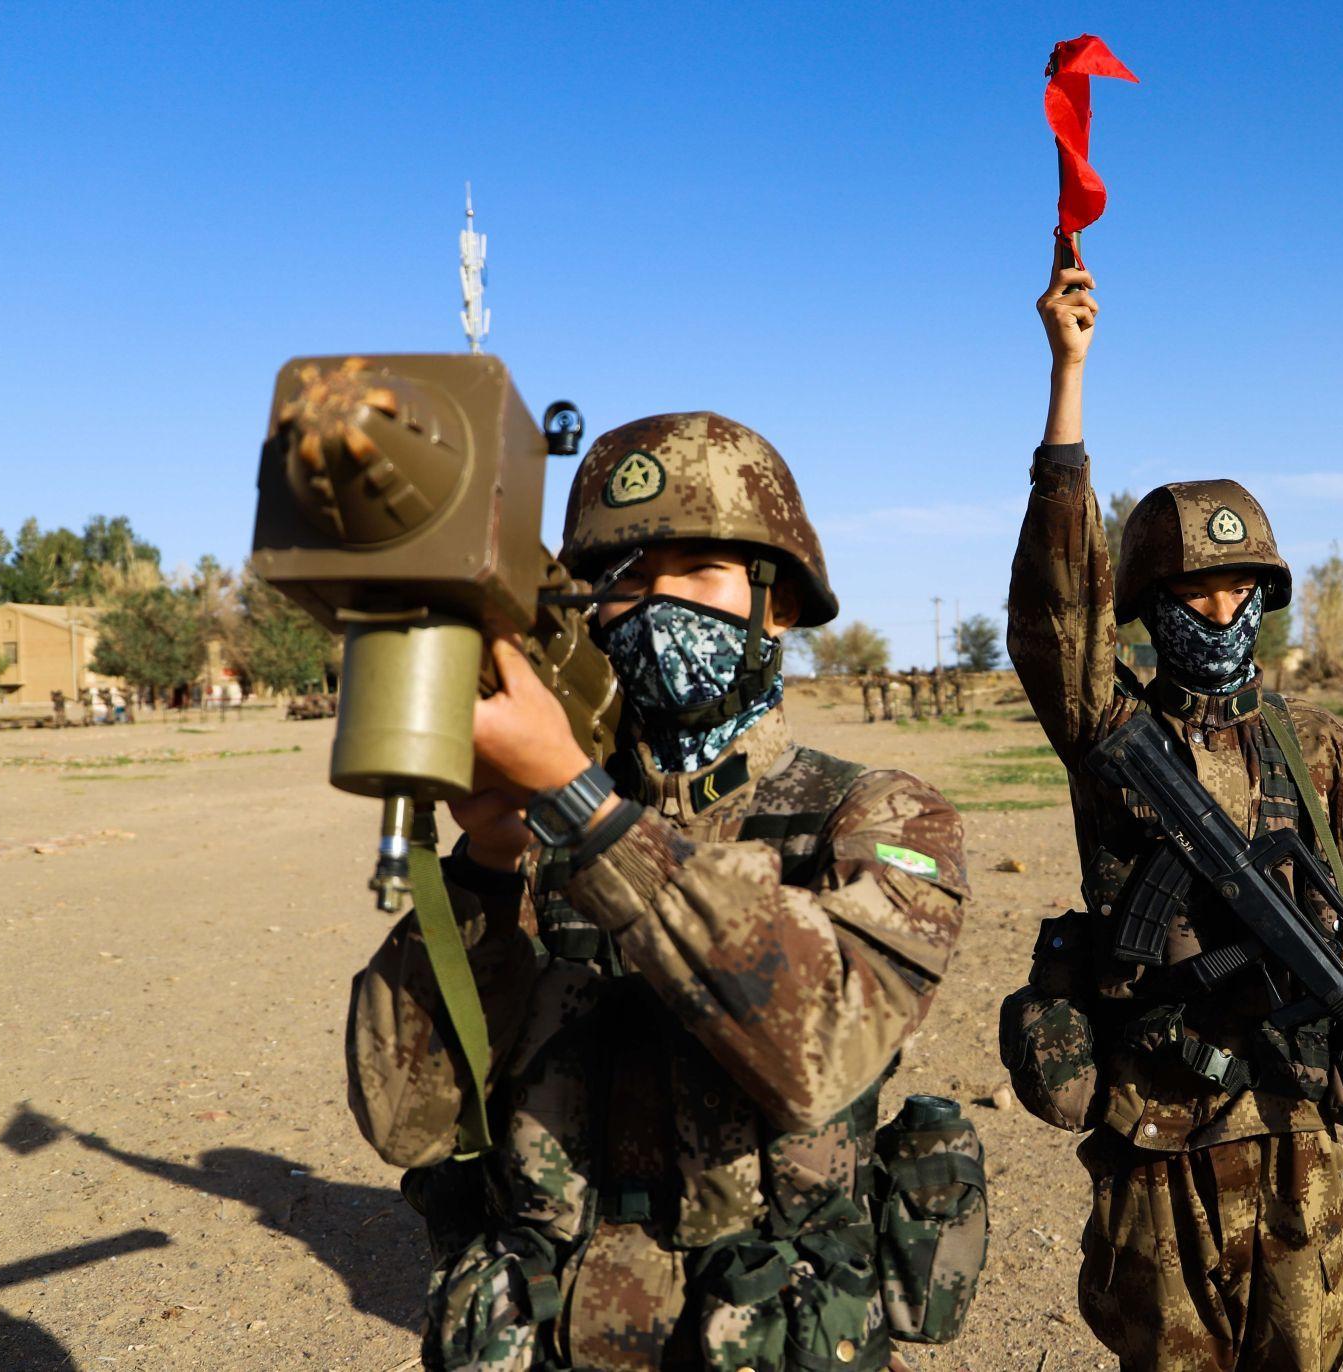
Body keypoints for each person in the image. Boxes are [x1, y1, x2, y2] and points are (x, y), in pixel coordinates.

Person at [345, 412, 975, 1371]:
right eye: (628, 577)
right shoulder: (530, 826)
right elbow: (408, 1120)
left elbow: (821, 1049)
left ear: (781, 605)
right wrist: (481, 867)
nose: (658, 602)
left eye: (700, 572)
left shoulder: (878, 814)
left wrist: (583, 808)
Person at [1001, 257, 1343, 1372]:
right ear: (1150, 607)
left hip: (1295, 1129)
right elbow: (1057, 610)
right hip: (1155, 1139)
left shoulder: (1310, 747)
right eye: (1192, 593)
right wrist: (1067, 383)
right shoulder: (1109, 729)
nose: (1220, 611)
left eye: (1238, 591)